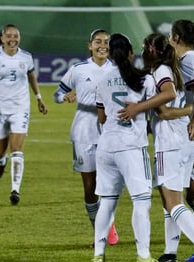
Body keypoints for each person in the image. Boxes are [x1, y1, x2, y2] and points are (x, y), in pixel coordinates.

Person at [88, 33, 171, 262]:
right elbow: (159, 105)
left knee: (107, 203)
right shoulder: (142, 79)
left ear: (111, 54)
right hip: (132, 147)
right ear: (131, 52)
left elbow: (102, 118)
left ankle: (98, 256)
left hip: (106, 147)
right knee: (141, 203)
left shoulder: (102, 81)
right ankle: (144, 258)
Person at [142, 32, 194, 262]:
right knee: (173, 200)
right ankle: (170, 253)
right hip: (184, 141)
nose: (143, 50)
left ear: (154, 50)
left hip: (170, 141)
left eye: (146, 46)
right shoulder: (174, 69)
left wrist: (186, 112)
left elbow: (164, 111)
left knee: (172, 201)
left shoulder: (162, 72)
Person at [53, 29, 118, 246]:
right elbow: (56, 94)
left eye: (106, 42)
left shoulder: (117, 69)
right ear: (89, 45)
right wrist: (65, 96)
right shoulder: (78, 69)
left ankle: (108, 227)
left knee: (107, 183)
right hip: (83, 133)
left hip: (110, 131)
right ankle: (99, 232)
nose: (102, 45)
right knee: (90, 187)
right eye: (98, 42)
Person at [0, 24, 48, 205]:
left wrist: (39, 98)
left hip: (20, 109)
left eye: (16, 36)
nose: (13, 39)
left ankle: (15, 190)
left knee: (16, 149)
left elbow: (32, 76)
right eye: (8, 36)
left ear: (19, 38)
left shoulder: (26, 57)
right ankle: (1, 163)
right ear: (2, 38)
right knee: (0, 151)